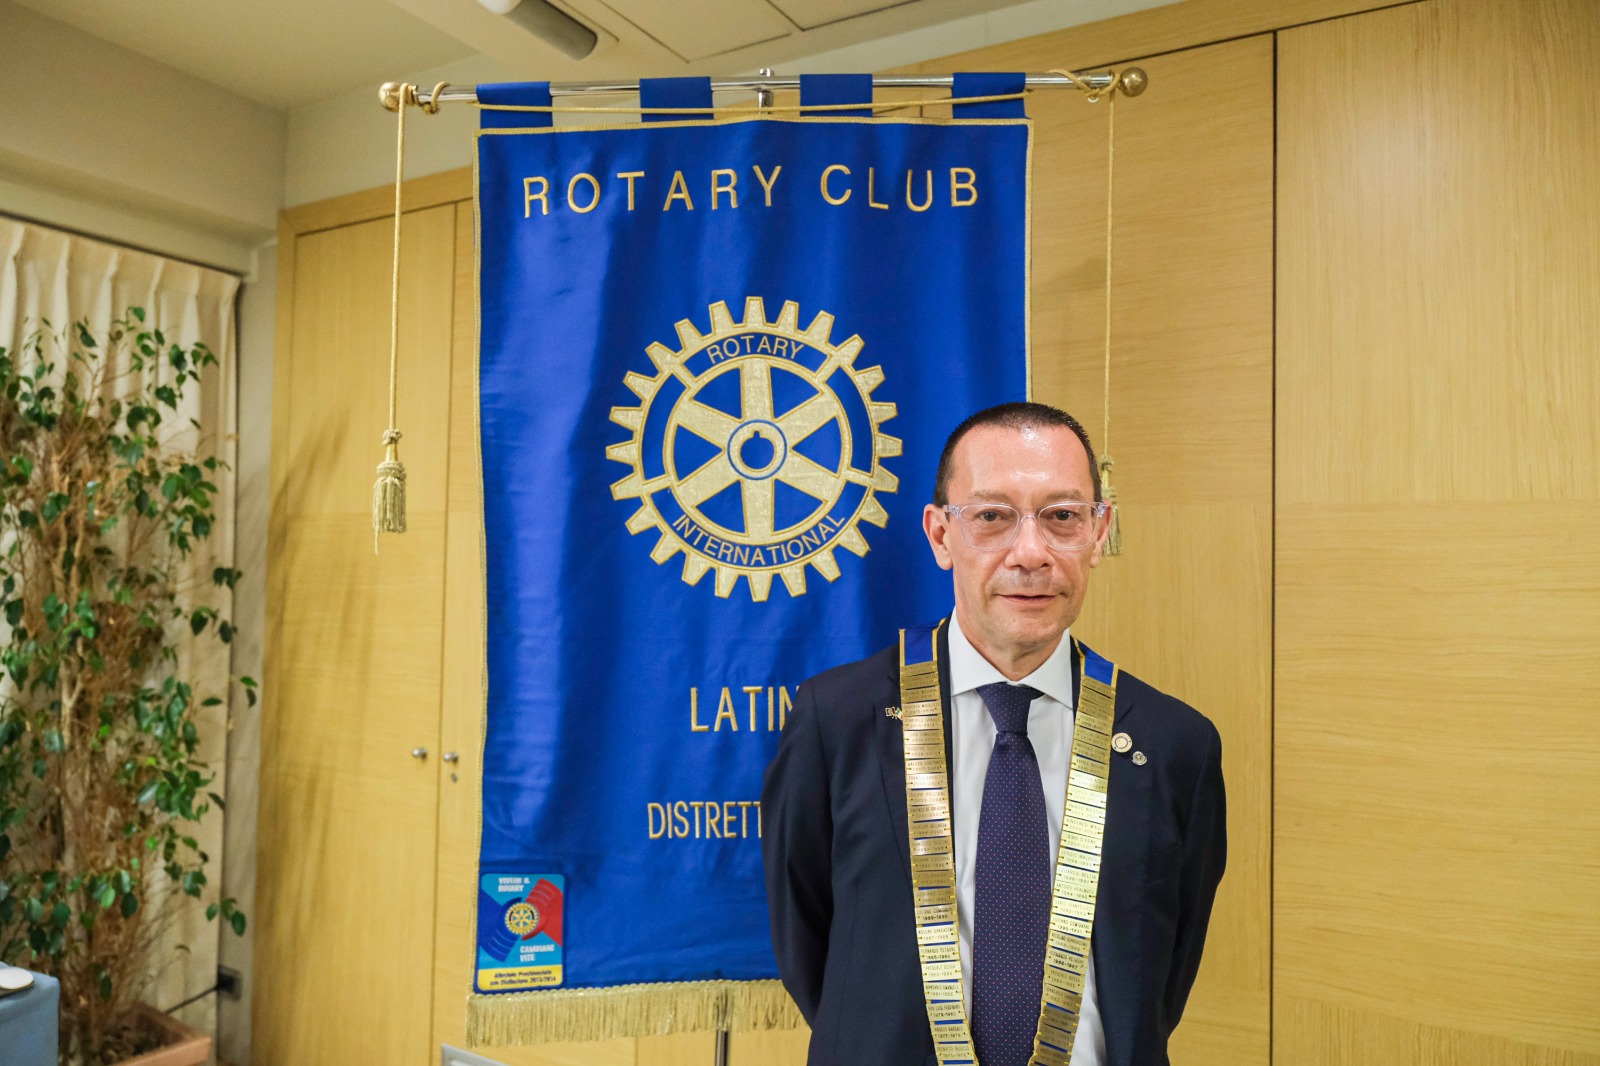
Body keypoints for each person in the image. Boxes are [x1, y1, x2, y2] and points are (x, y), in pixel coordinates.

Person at [761, 401, 1226, 1066]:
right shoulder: (834, 720)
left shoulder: (1175, 744)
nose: (1031, 553)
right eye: (992, 517)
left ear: (1099, 532)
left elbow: (1163, 976)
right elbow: (809, 945)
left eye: (1062, 517)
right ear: (940, 534)